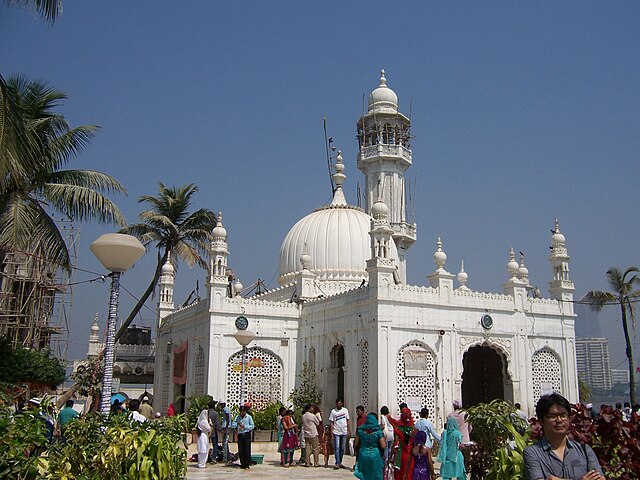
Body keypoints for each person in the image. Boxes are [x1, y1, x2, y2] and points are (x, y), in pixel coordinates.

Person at [523, 393, 604, 480]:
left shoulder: (584, 450)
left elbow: (600, 478)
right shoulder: (533, 453)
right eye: (553, 416)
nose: (559, 420)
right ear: (541, 421)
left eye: (563, 415)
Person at [354, 412, 386, 480]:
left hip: (363, 454)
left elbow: (356, 444)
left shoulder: (360, 431)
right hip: (375, 455)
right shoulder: (378, 432)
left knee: (364, 475)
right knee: (374, 475)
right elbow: (383, 446)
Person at [390, 407, 414, 480]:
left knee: (400, 474)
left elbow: (395, 444)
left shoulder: (398, 430)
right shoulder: (414, 429)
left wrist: (390, 456)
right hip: (411, 455)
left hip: (401, 455)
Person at [329, 397, 351, 469]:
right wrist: (332, 432)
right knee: (337, 447)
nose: (339, 404)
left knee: (342, 448)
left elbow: (348, 420)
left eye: (340, 403)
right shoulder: (333, 411)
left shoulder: (345, 410)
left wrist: (349, 430)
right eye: (338, 403)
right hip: (336, 431)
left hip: (344, 431)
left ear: (342, 403)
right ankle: (337, 462)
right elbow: (331, 422)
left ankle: (340, 461)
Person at [234, 404, 255, 470]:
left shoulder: (249, 417)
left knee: (247, 449)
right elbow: (233, 424)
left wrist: (245, 427)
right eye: (241, 411)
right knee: (241, 449)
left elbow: (252, 426)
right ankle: (242, 463)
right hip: (240, 434)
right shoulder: (238, 417)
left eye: (243, 411)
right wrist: (236, 424)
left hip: (246, 434)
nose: (242, 413)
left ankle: (247, 464)